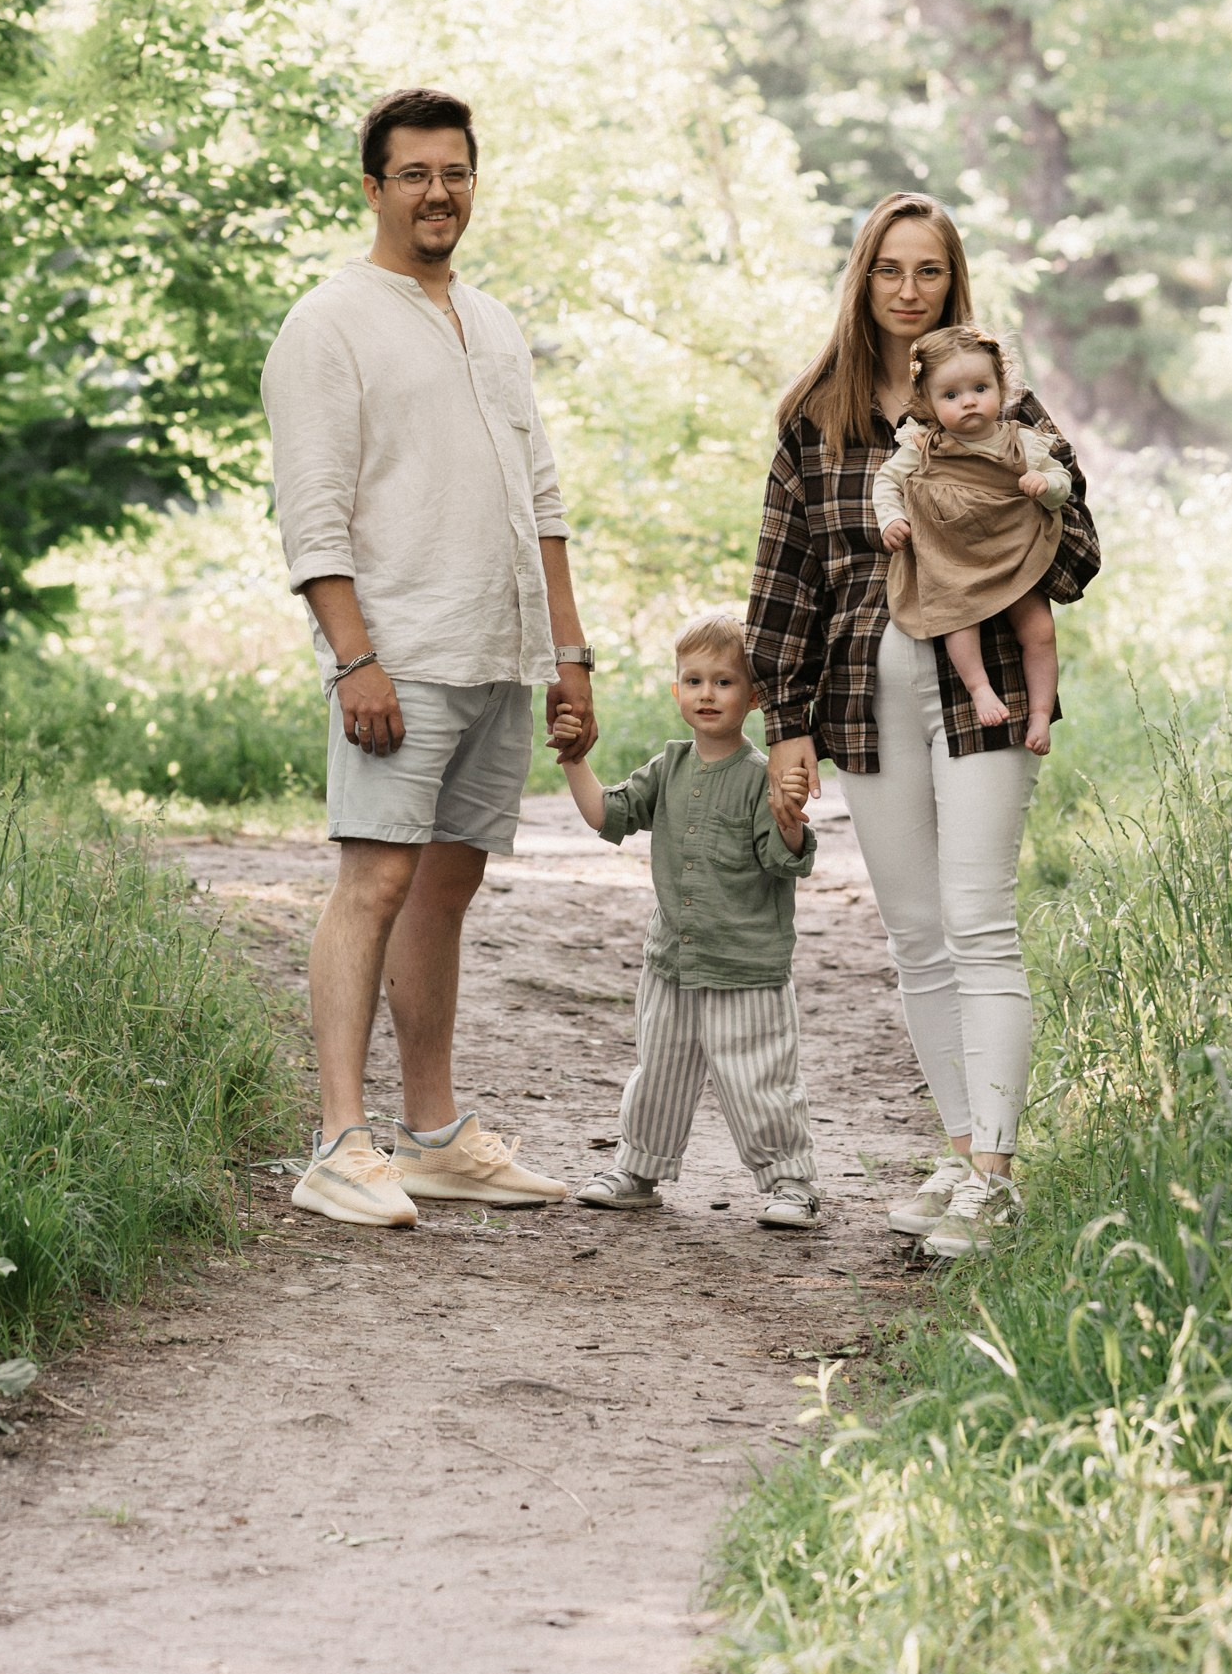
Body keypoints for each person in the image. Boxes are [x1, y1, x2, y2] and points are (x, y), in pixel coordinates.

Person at [261, 87, 594, 1230]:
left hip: (497, 649)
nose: (437, 192)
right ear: (373, 186)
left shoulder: (492, 321)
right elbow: (311, 507)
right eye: (413, 173)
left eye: (453, 171)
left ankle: (435, 1134)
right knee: (377, 880)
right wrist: (353, 656)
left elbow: (539, 497)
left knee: (446, 888)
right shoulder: (330, 319)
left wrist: (568, 653)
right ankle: (339, 1139)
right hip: (396, 650)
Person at [746, 195, 1098, 1259]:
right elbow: (784, 574)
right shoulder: (815, 415)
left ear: (954, 282)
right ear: (863, 278)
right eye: (891, 270)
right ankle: (955, 1152)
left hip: (980, 676)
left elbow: (1077, 551)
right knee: (914, 935)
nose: (909, 289)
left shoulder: (998, 402)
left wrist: (1007, 516)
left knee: (978, 916)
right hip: (864, 685)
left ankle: (995, 1172)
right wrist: (786, 720)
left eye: (930, 271)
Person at [563, 612, 822, 1228]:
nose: (708, 694)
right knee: (660, 1071)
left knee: (760, 1078)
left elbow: (784, 861)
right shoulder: (668, 768)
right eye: (694, 680)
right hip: (672, 962)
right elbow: (607, 816)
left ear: (754, 696)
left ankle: (791, 1183)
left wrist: (788, 820)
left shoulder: (762, 777)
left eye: (725, 682)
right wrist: (575, 759)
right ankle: (637, 1170)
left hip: (747, 966)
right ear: (676, 690)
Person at [872, 325, 1071, 757]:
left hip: (1011, 556)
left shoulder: (1022, 440)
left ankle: (1039, 712)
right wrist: (891, 518)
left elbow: (1063, 480)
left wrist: (1046, 483)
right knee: (957, 618)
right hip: (954, 562)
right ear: (927, 402)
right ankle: (979, 689)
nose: (968, 401)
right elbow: (887, 480)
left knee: (1039, 629)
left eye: (980, 388)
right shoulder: (923, 445)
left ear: (1002, 387)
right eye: (950, 395)